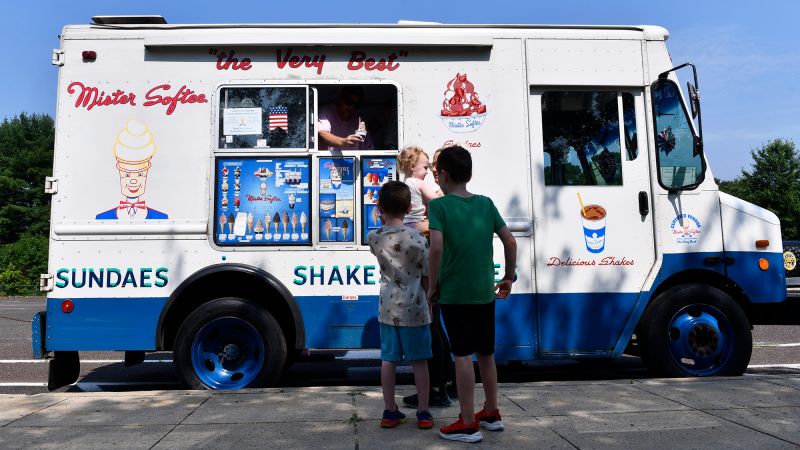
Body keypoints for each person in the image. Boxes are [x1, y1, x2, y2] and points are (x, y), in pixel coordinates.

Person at [427, 145, 517, 443]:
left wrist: (433, 285)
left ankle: (467, 422)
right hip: (484, 292)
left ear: (445, 176)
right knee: (486, 353)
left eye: (437, 172)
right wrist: (508, 277)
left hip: (454, 293)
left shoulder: (439, 207)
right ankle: (491, 412)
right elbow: (510, 242)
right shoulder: (486, 203)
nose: (435, 177)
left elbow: (436, 247)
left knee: (462, 355)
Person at [366, 181, 434, 430]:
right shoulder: (418, 239)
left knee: (388, 361)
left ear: (379, 207)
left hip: (387, 310)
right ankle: (424, 412)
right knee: (420, 362)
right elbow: (426, 275)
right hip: (415, 309)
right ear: (409, 207)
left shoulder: (374, 237)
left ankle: (389, 411)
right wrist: (431, 300)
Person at [403, 147, 454, 409]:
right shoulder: (417, 182)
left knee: (433, 323)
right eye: (424, 166)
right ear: (413, 168)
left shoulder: (405, 184)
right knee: (433, 323)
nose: (427, 172)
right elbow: (439, 200)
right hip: (421, 239)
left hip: (415, 238)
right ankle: (441, 385)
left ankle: (440, 386)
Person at [397, 145, 442, 234]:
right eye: (425, 168)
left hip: (404, 224)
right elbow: (437, 201)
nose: (427, 172)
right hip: (418, 225)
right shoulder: (419, 183)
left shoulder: (403, 184)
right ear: (413, 167)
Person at [317, 86, 374, 150]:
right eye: (348, 102)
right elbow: (322, 134)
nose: (351, 107)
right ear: (340, 98)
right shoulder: (327, 111)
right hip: (327, 160)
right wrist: (344, 141)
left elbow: (368, 150)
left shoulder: (360, 121)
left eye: (356, 105)